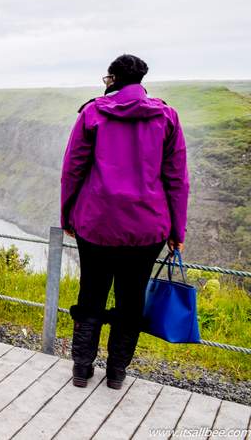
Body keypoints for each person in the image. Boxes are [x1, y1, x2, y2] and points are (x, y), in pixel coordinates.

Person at [60, 53, 189, 390]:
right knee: (131, 300)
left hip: (96, 223)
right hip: (148, 228)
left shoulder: (92, 113)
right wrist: (177, 229)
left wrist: (67, 214)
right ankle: (116, 374)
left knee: (91, 293)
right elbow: (177, 179)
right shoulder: (167, 116)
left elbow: (72, 169)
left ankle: (81, 370)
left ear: (113, 79)